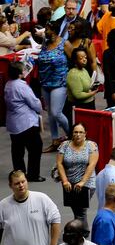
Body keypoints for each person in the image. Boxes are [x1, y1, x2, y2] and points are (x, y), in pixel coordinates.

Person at [0, 171, 61, 245]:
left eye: (23, 181)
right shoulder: (3, 205)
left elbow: (55, 220)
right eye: (17, 183)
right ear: (10, 186)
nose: (21, 185)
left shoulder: (42, 199)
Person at [5, 62, 45, 182]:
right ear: (19, 73)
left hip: (13, 123)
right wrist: (39, 107)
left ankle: (19, 174)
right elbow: (34, 103)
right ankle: (33, 174)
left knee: (17, 151)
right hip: (26, 122)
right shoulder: (22, 86)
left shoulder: (8, 84)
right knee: (35, 148)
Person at [55, 123, 98, 225]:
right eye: (76, 132)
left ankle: (82, 231)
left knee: (81, 210)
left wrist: (83, 182)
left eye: (81, 132)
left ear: (85, 133)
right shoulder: (64, 145)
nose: (78, 135)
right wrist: (65, 181)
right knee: (76, 208)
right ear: (72, 133)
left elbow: (92, 164)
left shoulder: (91, 146)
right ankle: (79, 228)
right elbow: (59, 163)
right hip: (69, 182)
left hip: (87, 182)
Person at [39, 22, 71, 153]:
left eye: (47, 29)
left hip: (60, 83)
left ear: (54, 31)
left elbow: (73, 60)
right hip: (45, 83)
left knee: (56, 112)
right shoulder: (45, 43)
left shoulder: (64, 44)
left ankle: (72, 134)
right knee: (50, 113)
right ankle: (55, 140)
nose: (45, 32)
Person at [66, 48, 98, 116]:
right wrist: (93, 93)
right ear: (75, 60)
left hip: (89, 104)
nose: (84, 59)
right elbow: (78, 95)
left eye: (85, 57)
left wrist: (93, 86)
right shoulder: (73, 74)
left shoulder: (84, 70)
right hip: (80, 107)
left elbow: (88, 85)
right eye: (81, 58)